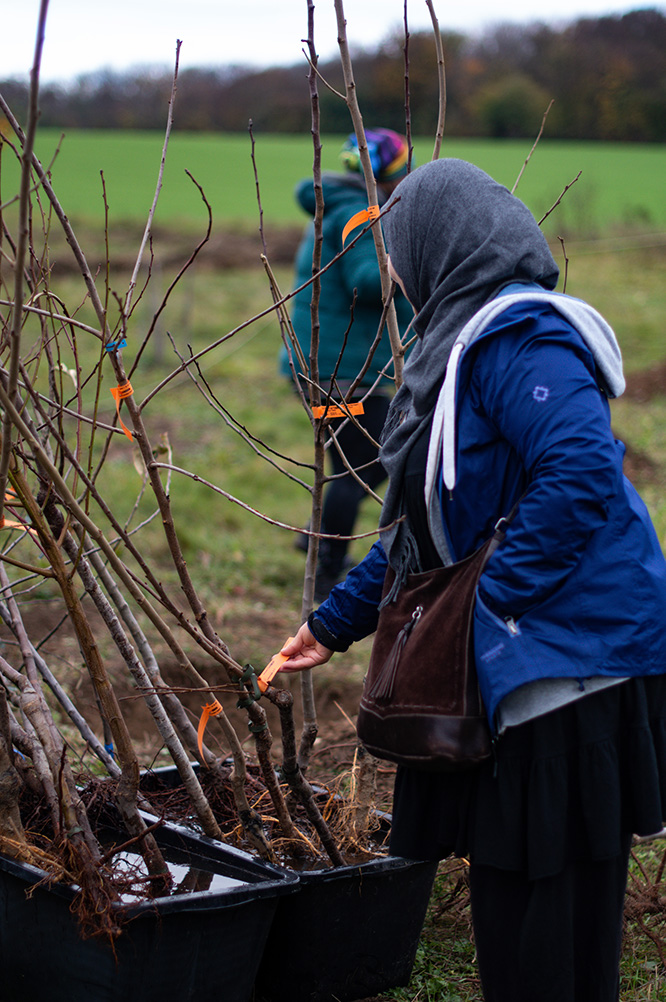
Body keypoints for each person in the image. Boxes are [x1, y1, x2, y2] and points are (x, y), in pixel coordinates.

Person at [278, 159, 666, 1002]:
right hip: (522, 661)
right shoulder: (452, 351)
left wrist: (491, 602)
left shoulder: (522, 337)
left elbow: (580, 469)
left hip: (570, 668)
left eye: (403, 249)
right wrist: (334, 622)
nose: (399, 273)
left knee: (553, 906)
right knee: (510, 891)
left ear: (442, 244)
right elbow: (427, 525)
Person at [282, 128, 414, 602]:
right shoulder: (359, 213)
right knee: (369, 465)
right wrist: (415, 260)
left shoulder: (339, 206)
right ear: (393, 173)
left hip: (330, 372)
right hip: (338, 379)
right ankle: (326, 570)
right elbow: (367, 281)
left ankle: (319, 542)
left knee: (355, 467)